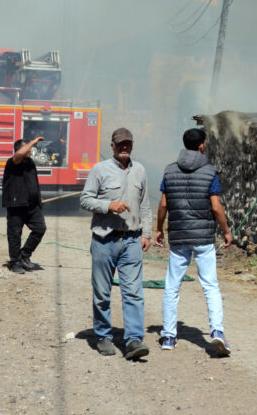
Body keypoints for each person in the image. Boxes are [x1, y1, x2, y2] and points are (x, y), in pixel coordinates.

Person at [152, 127, 233, 357]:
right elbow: (216, 207)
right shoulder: (210, 172)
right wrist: (226, 231)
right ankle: (217, 331)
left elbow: (163, 204)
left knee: (172, 286)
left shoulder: (169, 171)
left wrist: (159, 229)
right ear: (202, 145)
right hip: (204, 238)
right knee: (210, 285)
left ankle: (169, 336)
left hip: (179, 237)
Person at [79, 127, 151, 361]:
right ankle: (103, 336)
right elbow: (85, 200)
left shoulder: (140, 170)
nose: (124, 147)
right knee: (102, 292)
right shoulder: (99, 170)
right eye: (120, 144)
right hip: (104, 240)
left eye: (127, 143)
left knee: (134, 293)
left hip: (132, 240)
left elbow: (145, 205)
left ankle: (133, 340)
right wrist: (108, 206)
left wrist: (147, 234)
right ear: (112, 146)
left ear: (132, 145)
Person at [2, 135, 46, 273]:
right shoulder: (13, 162)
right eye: (27, 148)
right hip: (16, 205)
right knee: (15, 234)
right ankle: (15, 261)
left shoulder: (30, 163)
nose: (30, 150)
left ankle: (24, 255)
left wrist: (38, 197)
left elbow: (32, 182)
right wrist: (33, 141)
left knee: (40, 228)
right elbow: (18, 155)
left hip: (32, 205)